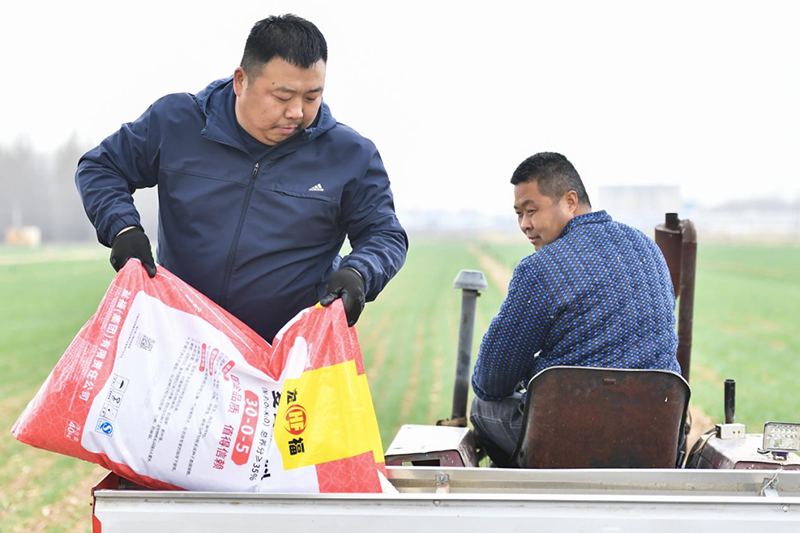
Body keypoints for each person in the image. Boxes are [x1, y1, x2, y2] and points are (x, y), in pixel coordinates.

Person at [76, 14, 408, 342]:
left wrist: (359, 272)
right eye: (282, 96)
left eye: (312, 97)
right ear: (241, 80)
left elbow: (385, 234)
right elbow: (101, 167)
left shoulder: (350, 155)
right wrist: (123, 228)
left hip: (284, 359)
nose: (296, 111)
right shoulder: (176, 122)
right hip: (178, 345)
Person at [469, 152, 680, 466]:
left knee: (481, 408)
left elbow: (492, 380)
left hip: (568, 440)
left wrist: (530, 370)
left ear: (569, 201)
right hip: (654, 438)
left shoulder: (541, 270)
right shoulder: (647, 247)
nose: (525, 225)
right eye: (518, 214)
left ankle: (525, 491)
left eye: (531, 210)